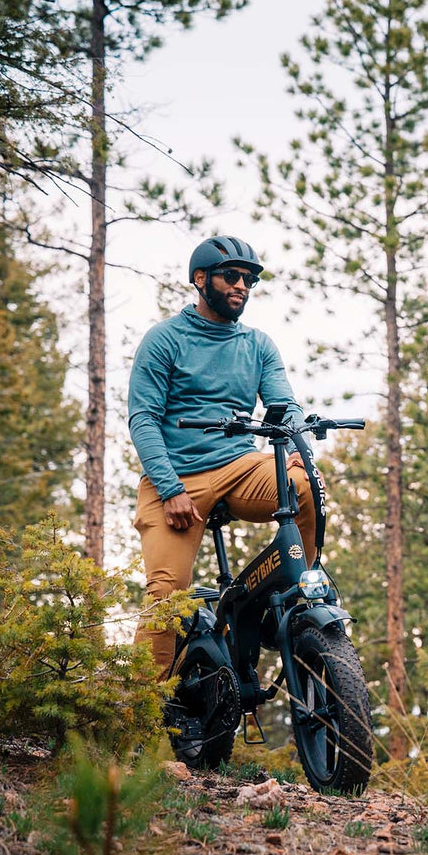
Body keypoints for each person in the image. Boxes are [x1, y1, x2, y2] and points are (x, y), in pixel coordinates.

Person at [129, 234, 314, 676]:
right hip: (176, 477)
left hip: (240, 466)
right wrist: (170, 489)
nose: (241, 286)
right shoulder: (164, 339)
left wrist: (296, 447)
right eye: (231, 276)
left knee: (305, 486)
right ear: (200, 279)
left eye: (249, 280)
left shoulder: (258, 344)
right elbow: (143, 419)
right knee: (166, 594)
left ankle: (291, 597)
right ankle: (138, 708)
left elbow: (285, 406)